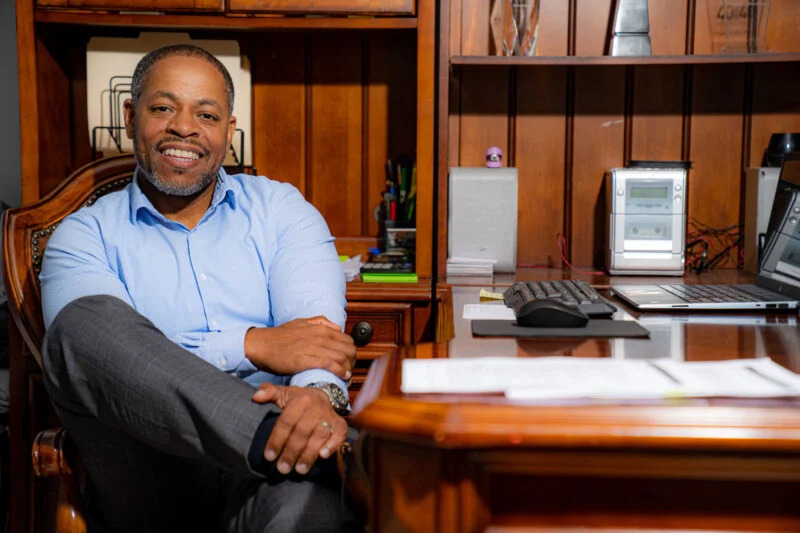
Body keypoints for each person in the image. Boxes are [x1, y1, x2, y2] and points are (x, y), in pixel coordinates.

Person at [39, 44, 362, 532]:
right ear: (130, 117)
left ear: (228, 132)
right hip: (149, 473)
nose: (184, 128)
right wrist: (252, 343)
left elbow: (318, 344)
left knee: (309, 510)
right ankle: (280, 441)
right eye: (163, 108)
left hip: (273, 472)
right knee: (79, 325)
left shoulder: (281, 210)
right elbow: (111, 365)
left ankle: (290, 445)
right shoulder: (83, 236)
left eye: (206, 114)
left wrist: (316, 398)